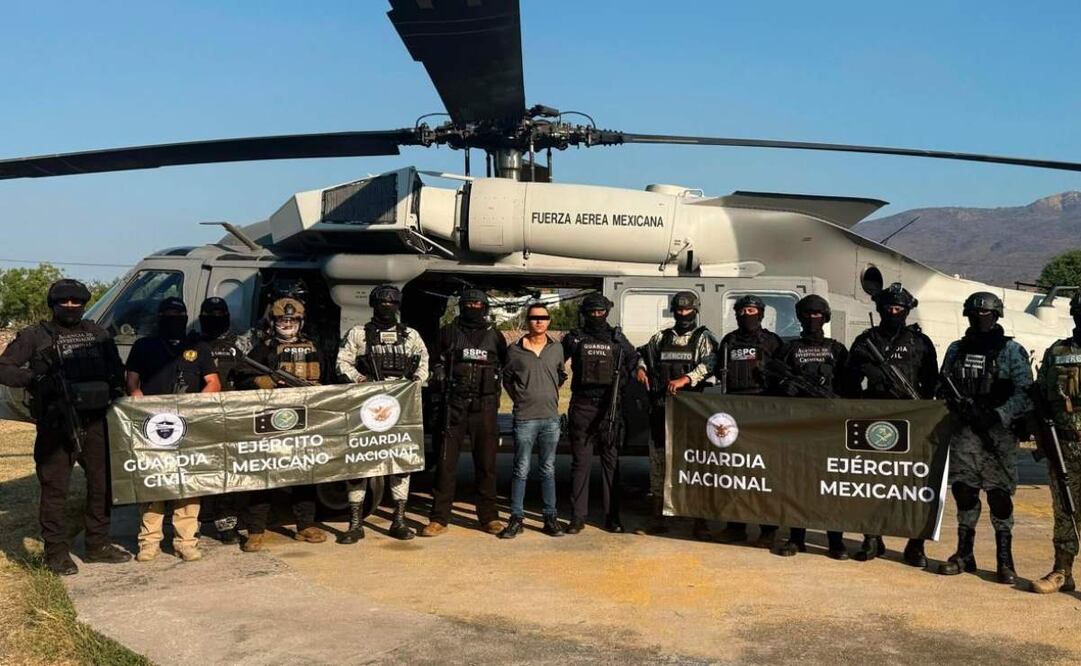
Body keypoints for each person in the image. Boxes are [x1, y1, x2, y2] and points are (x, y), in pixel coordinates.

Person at [0, 279, 130, 575]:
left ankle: (98, 544)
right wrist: (35, 378)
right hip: (56, 423)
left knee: (103, 485)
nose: (71, 306)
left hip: (96, 420)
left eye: (77, 302)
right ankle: (55, 553)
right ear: (53, 305)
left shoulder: (97, 333)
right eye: (64, 302)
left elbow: (115, 370)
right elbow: (3, 368)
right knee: (55, 489)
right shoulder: (35, 336)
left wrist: (116, 390)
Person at [936, 292, 1031, 583]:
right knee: (964, 492)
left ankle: (1005, 561)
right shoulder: (956, 350)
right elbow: (944, 385)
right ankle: (964, 554)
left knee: (1000, 497)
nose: (981, 319)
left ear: (997, 316)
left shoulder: (1011, 351)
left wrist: (998, 414)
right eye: (975, 315)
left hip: (997, 437)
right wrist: (959, 409)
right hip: (964, 436)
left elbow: (1025, 391)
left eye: (987, 314)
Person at [843, 282, 938, 565]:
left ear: (907, 311)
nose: (894, 312)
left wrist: (921, 409)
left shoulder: (920, 343)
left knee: (914, 485)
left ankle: (915, 544)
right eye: (889, 308)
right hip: (875, 418)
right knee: (872, 482)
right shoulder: (865, 341)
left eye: (899, 309)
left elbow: (932, 382)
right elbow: (848, 381)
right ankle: (872, 538)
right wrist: (867, 381)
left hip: (912, 419)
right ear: (880, 309)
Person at [126, 297, 221, 562]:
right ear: (159, 317)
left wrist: (194, 406)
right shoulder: (144, 346)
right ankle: (149, 542)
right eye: (167, 314)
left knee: (188, 484)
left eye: (177, 314)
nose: (173, 318)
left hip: (189, 424)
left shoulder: (198, 346)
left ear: (184, 316)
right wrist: (139, 400)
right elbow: (132, 381)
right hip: (152, 424)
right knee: (153, 484)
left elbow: (213, 382)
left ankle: (186, 541)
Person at [335, 284, 429, 543]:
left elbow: (424, 366)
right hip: (366, 410)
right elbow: (342, 363)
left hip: (401, 410)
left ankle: (398, 521)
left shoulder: (411, 335)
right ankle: (355, 524)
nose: (387, 305)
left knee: (400, 466)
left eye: (392, 301)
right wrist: (361, 381)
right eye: (382, 301)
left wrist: (410, 385)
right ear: (373, 304)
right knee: (359, 465)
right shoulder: (358, 334)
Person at [236, 297, 327, 551]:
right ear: (273, 321)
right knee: (264, 475)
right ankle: (255, 531)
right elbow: (240, 376)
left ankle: (305, 525)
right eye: (282, 319)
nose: (287, 324)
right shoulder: (263, 348)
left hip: (306, 420)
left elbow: (330, 382)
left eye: (293, 319)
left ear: (301, 321)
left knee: (305, 474)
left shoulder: (313, 347)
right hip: (271, 422)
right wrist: (264, 381)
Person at [421, 289, 508, 537]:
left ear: (485, 307)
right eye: (468, 303)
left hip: (485, 407)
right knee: (446, 464)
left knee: (487, 465)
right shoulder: (448, 332)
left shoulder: (495, 336)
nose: (473, 307)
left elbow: (504, 363)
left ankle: (489, 517)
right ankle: (439, 518)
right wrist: (438, 373)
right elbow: (432, 359)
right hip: (454, 406)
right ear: (461, 306)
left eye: (477, 304)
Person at [770, 295, 851, 560]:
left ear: (825, 318)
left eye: (818, 315)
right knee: (798, 483)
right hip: (799, 426)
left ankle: (835, 540)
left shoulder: (837, 349)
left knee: (833, 485)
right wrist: (787, 388)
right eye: (807, 315)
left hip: (830, 426)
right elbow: (773, 382)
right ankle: (796, 538)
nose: (812, 319)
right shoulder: (789, 350)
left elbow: (849, 387)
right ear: (800, 318)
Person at [635, 290, 717, 540]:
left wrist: (686, 378)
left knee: (694, 462)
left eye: (687, 310)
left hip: (690, 411)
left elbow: (711, 363)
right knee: (659, 462)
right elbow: (642, 354)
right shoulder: (661, 337)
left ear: (695, 310)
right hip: (661, 408)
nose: (683, 314)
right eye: (679, 310)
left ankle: (699, 519)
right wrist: (640, 369)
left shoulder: (704, 338)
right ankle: (658, 515)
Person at [562, 293, 638, 534]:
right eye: (592, 312)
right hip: (582, 406)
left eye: (600, 312)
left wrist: (641, 370)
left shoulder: (617, 338)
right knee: (580, 465)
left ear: (606, 312)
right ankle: (577, 517)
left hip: (610, 409)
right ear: (585, 313)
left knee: (611, 465)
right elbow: (553, 363)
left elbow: (634, 360)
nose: (596, 316)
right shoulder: (574, 338)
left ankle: (612, 517)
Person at [714, 294, 784, 547]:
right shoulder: (728, 341)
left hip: (763, 411)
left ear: (761, 313)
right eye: (742, 310)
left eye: (752, 310)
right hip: (733, 410)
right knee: (734, 472)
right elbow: (717, 373)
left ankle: (767, 529)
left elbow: (782, 379)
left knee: (763, 473)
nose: (747, 315)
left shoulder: (773, 342)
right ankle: (736, 526)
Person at [499, 302, 567, 539]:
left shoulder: (557, 348)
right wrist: (520, 396)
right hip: (525, 418)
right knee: (521, 469)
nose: (539, 321)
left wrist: (548, 392)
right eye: (534, 317)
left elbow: (560, 375)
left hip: (550, 418)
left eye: (543, 317)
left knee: (548, 469)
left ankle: (550, 518)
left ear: (549, 321)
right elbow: (506, 378)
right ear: (527, 321)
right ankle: (516, 518)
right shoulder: (514, 350)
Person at [1031, 291, 1081, 594]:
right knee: (1065, 509)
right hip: (1065, 448)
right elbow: (1041, 400)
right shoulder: (1058, 352)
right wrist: (1043, 440)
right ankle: (1062, 571)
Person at [194, 297, 251, 545]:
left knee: (232, 471)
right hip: (201, 415)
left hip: (233, 415)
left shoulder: (238, 345)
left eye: (220, 312)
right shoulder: (192, 343)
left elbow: (250, 374)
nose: (215, 317)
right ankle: (199, 519)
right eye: (210, 313)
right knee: (203, 470)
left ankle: (227, 522)